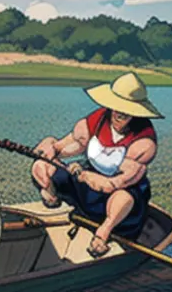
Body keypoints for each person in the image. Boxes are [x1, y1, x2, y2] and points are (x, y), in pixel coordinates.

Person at [31, 72, 161, 257]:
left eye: (127, 110)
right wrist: (51, 148)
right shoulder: (98, 119)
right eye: (117, 106)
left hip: (119, 196)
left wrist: (89, 177)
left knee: (123, 198)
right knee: (41, 166)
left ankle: (103, 233)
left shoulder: (144, 142)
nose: (119, 113)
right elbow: (69, 144)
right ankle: (52, 198)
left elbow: (118, 182)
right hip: (86, 185)